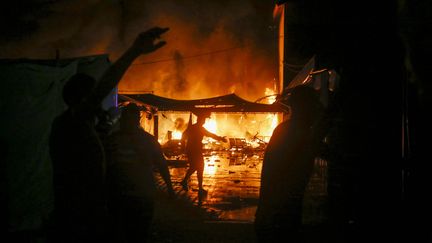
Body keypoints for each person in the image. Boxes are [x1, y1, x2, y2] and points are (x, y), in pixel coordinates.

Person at [49, 27, 169, 243]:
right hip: (79, 214)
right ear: (82, 100)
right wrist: (133, 52)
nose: (99, 104)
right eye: (93, 99)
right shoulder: (73, 122)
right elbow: (103, 88)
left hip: (86, 208)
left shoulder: (75, 127)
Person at [254, 85, 324, 242]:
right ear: (303, 108)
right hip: (278, 217)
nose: (317, 108)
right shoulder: (297, 133)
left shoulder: (287, 130)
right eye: (314, 104)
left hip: (274, 215)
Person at [105, 103, 175, 243]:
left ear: (136, 120)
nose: (127, 122)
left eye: (130, 119)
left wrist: (170, 187)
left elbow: (161, 164)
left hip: (138, 195)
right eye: (126, 119)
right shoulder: (113, 140)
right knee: (126, 232)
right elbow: (106, 165)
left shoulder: (147, 141)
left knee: (136, 232)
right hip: (124, 195)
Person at [180, 110, 227, 196]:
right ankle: (193, 185)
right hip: (195, 150)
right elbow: (211, 135)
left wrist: (183, 147)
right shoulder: (199, 128)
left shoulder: (192, 127)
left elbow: (183, 136)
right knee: (198, 167)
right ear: (200, 120)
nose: (205, 121)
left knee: (196, 167)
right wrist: (221, 138)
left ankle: (192, 184)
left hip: (191, 150)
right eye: (204, 120)